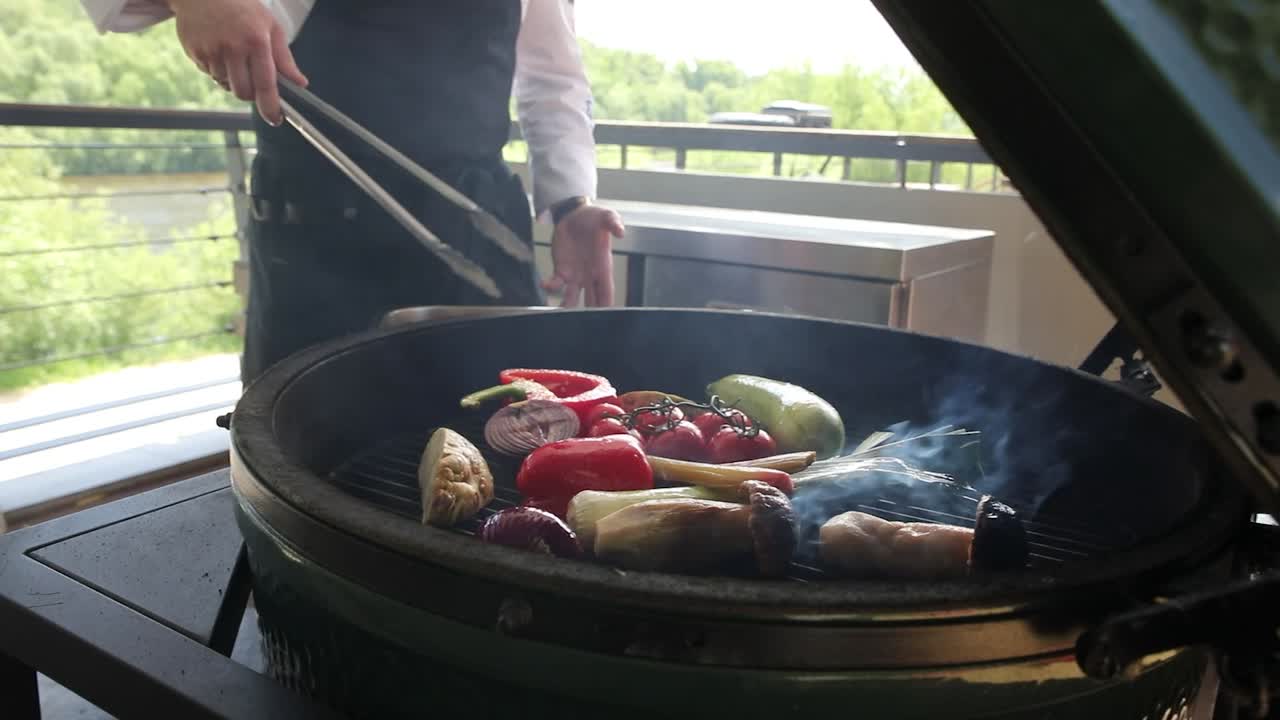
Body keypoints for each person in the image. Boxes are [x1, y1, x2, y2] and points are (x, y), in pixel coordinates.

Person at [80, 0, 625, 382]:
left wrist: (572, 202)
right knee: (302, 466)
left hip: (477, 231)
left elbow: (554, 80)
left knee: (508, 430)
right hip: (314, 237)